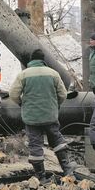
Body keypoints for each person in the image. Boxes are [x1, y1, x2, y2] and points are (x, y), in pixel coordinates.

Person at [9, 49, 73, 179]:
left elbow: (13, 94)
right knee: (57, 140)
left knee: (35, 145)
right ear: (43, 60)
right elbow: (63, 94)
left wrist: (21, 103)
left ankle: (41, 177)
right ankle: (67, 170)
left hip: (31, 118)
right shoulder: (53, 73)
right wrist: (56, 105)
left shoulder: (24, 74)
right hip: (50, 116)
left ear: (31, 60)